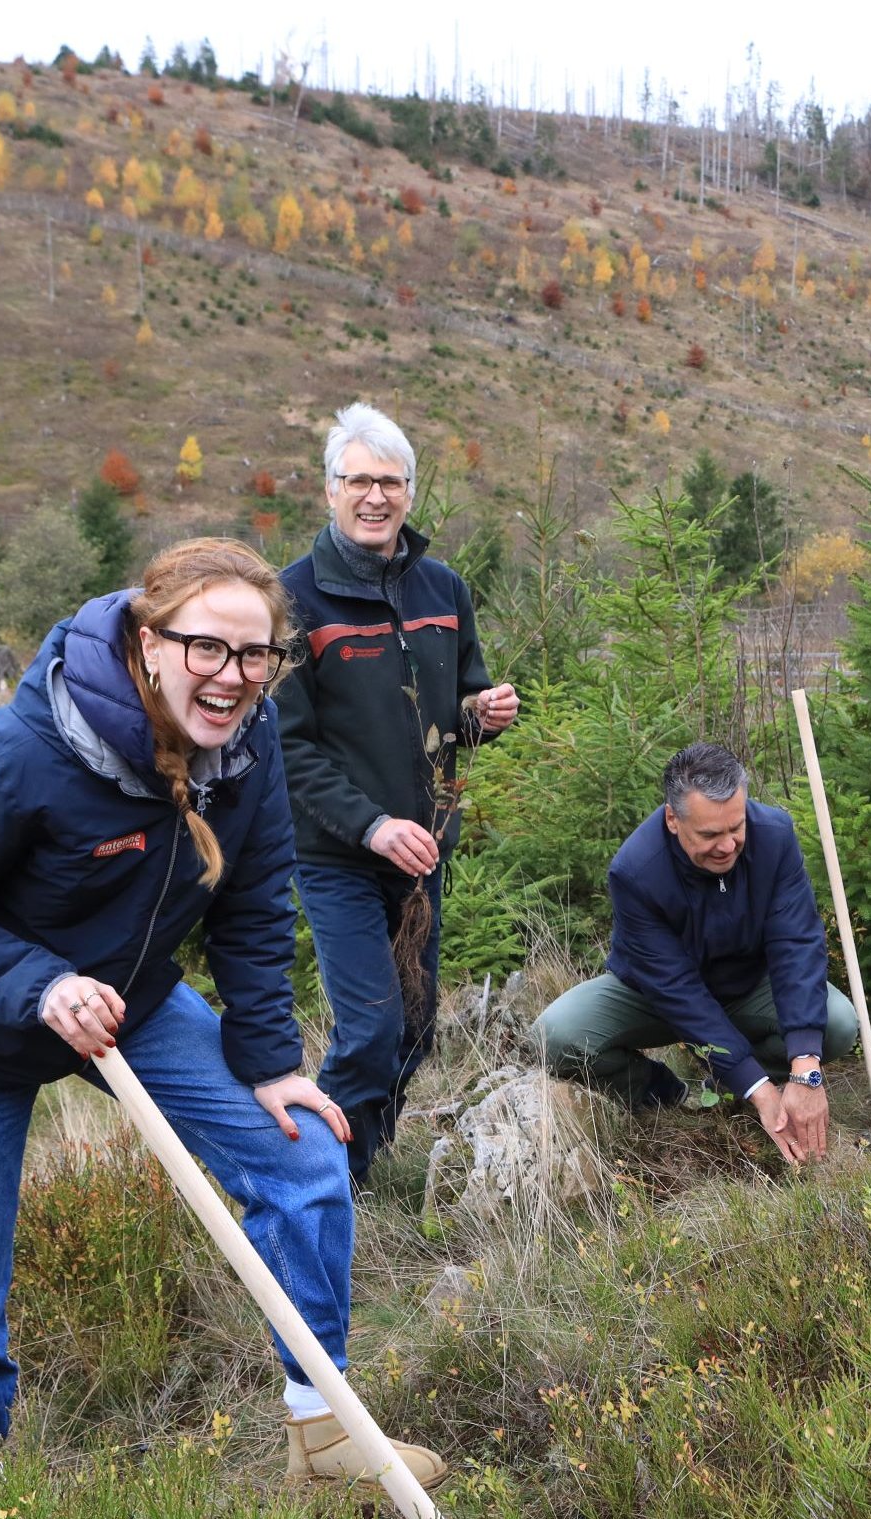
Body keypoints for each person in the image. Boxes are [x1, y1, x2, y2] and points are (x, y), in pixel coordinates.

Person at [0, 538, 445, 1488]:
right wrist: (40, 986)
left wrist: (269, 1063)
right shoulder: (16, 753)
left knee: (303, 1156)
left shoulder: (248, 751)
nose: (233, 677)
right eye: (208, 649)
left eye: (257, 655)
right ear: (149, 639)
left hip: (124, 1002)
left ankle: (325, 1427)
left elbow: (254, 907)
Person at [276, 404, 518, 1187]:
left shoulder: (443, 586)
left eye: (390, 481)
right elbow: (286, 745)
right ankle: (322, 1184)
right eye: (358, 481)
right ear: (330, 491)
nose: (374, 496)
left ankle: (361, 1163)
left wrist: (485, 715)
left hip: (423, 857)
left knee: (414, 1030)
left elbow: (458, 714)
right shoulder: (293, 600)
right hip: (338, 854)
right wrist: (371, 825)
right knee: (373, 1026)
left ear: (410, 491)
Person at [535, 743, 860, 1164]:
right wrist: (758, 1092)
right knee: (555, 1036)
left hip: (748, 986)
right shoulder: (635, 871)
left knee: (837, 1023)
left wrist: (807, 1072)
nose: (727, 846)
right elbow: (678, 991)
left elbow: (796, 945)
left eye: (736, 828)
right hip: (656, 997)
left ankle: (760, 1088)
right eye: (709, 835)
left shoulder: (775, 837)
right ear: (673, 819)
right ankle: (668, 1095)